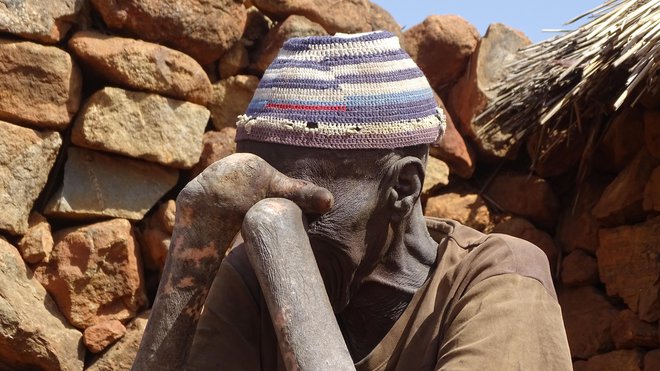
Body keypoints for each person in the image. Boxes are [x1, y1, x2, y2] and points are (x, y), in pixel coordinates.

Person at [134, 31, 572, 371]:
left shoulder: (501, 279)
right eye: (261, 202)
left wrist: (280, 239)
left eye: (301, 206)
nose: (269, 226)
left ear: (402, 188)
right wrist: (193, 250)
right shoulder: (251, 280)